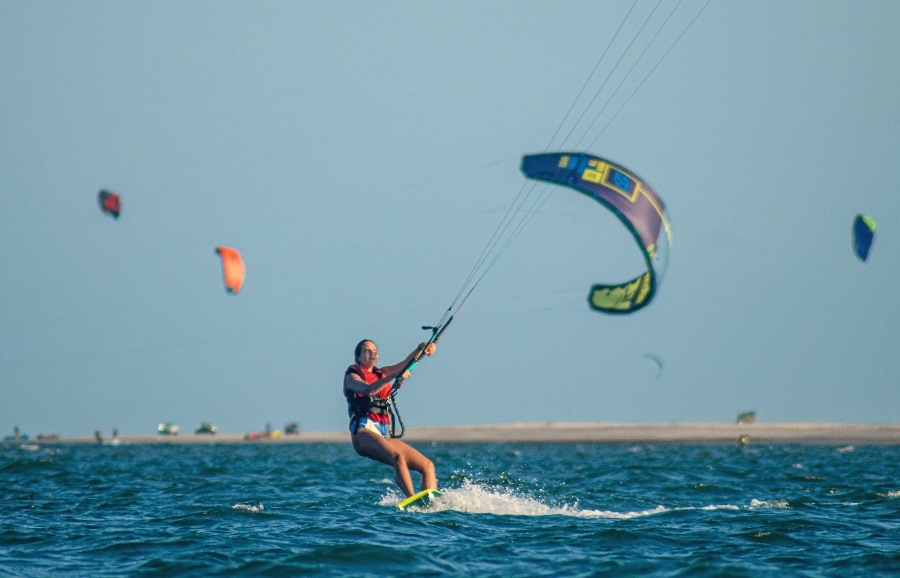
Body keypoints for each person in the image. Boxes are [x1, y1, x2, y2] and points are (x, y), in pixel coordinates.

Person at [344, 339, 437, 497]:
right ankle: (412, 499)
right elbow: (368, 390)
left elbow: (406, 363)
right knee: (398, 458)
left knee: (427, 465)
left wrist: (422, 347)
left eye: (374, 351)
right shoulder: (352, 376)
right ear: (358, 357)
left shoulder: (383, 373)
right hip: (363, 433)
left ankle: (432, 501)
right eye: (367, 351)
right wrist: (395, 375)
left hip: (381, 433)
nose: (372, 353)